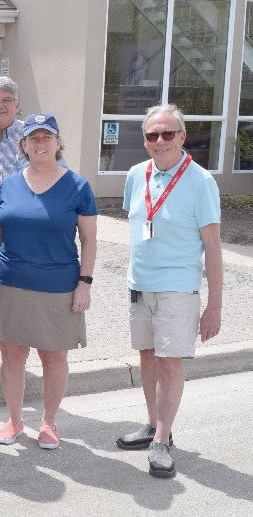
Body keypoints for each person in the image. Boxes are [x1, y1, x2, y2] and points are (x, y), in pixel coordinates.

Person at [0, 113, 97, 451]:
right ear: (24, 145)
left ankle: (49, 422)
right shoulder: (10, 184)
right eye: (34, 138)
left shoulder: (77, 186)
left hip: (57, 286)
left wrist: (84, 283)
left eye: (47, 137)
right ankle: (15, 420)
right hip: (9, 283)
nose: (40, 143)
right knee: (12, 357)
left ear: (59, 143)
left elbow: (88, 239)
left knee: (53, 358)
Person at [118, 104, 222, 479]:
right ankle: (152, 424)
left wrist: (214, 307)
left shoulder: (200, 181)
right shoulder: (135, 174)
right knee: (147, 356)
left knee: (171, 361)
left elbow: (213, 247)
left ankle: (162, 439)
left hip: (178, 288)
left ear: (182, 136)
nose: (159, 141)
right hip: (139, 284)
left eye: (167, 134)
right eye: (152, 135)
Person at [0, 76, 69, 380]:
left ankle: (20, 354)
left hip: (21, 229)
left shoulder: (33, 136)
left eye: (6, 100)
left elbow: (62, 173)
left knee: (18, 292)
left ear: (17, 105)